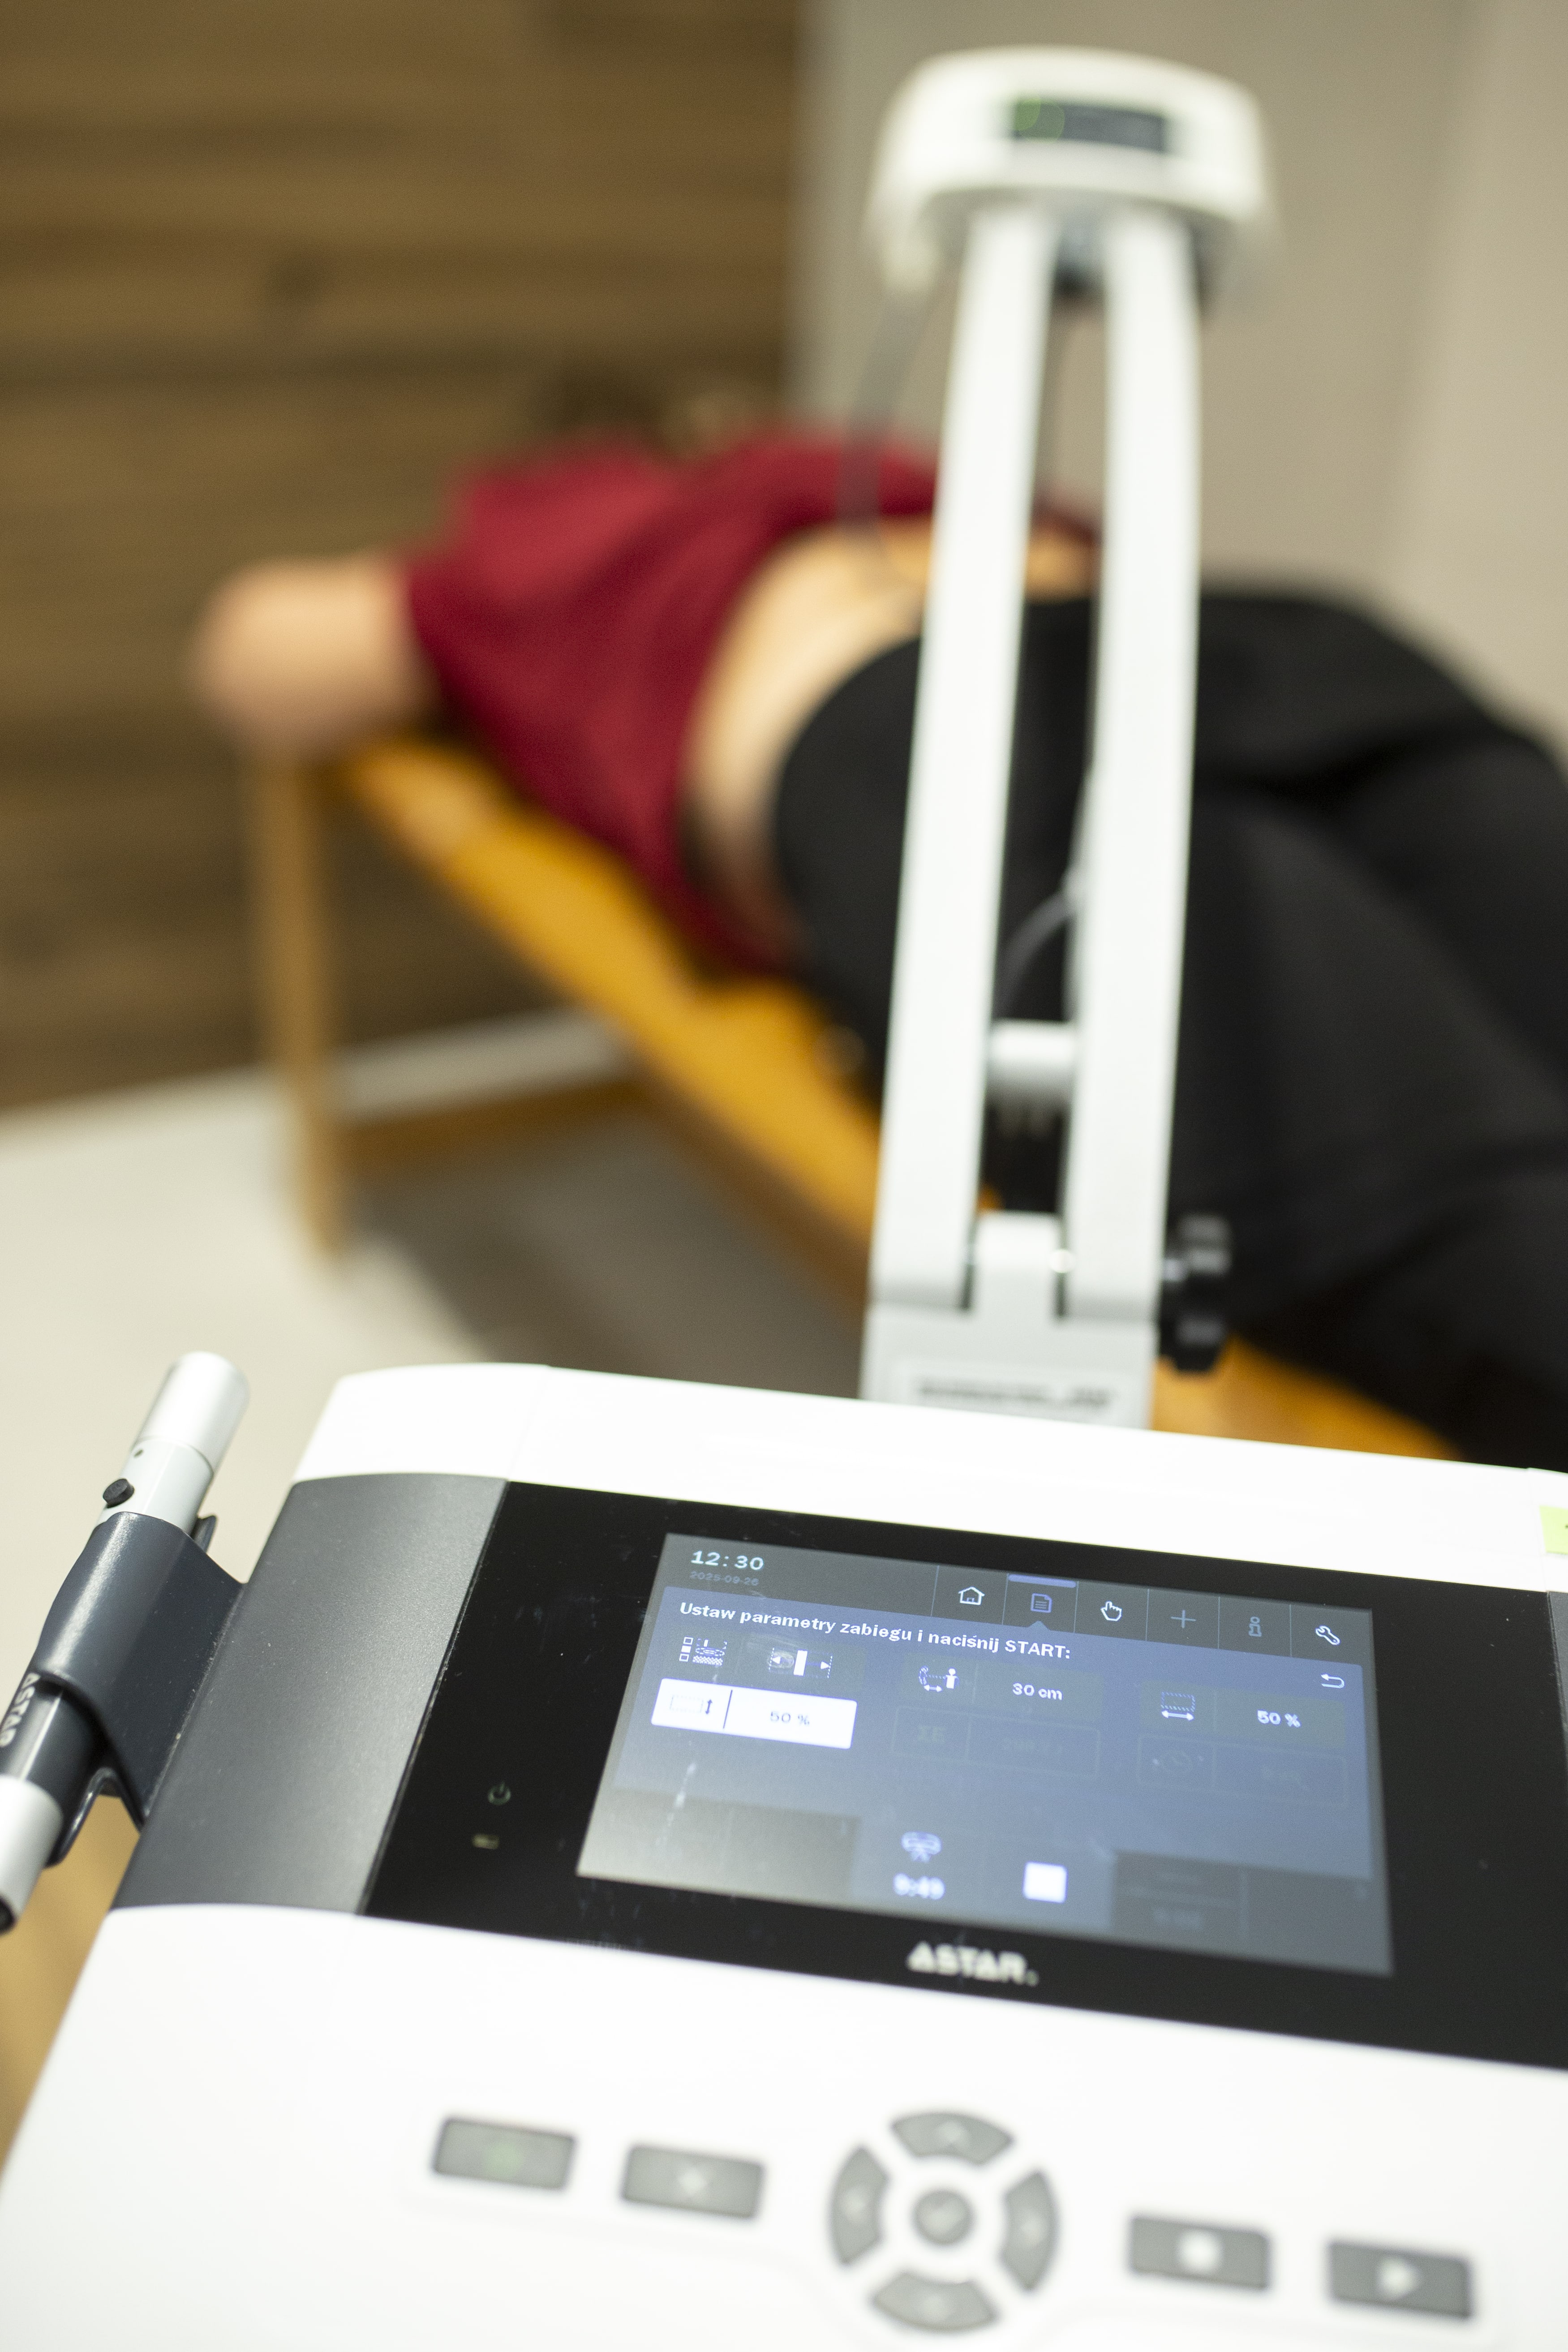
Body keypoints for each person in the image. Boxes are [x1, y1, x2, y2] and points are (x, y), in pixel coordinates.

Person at [190, 430, 1568, 1469]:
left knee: (1457, 1142)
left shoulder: (891, 461)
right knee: (1460, 1202)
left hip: (1221, 650)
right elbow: (248, 649)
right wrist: (432, 601)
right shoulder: (541, 552)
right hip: (932, 718)